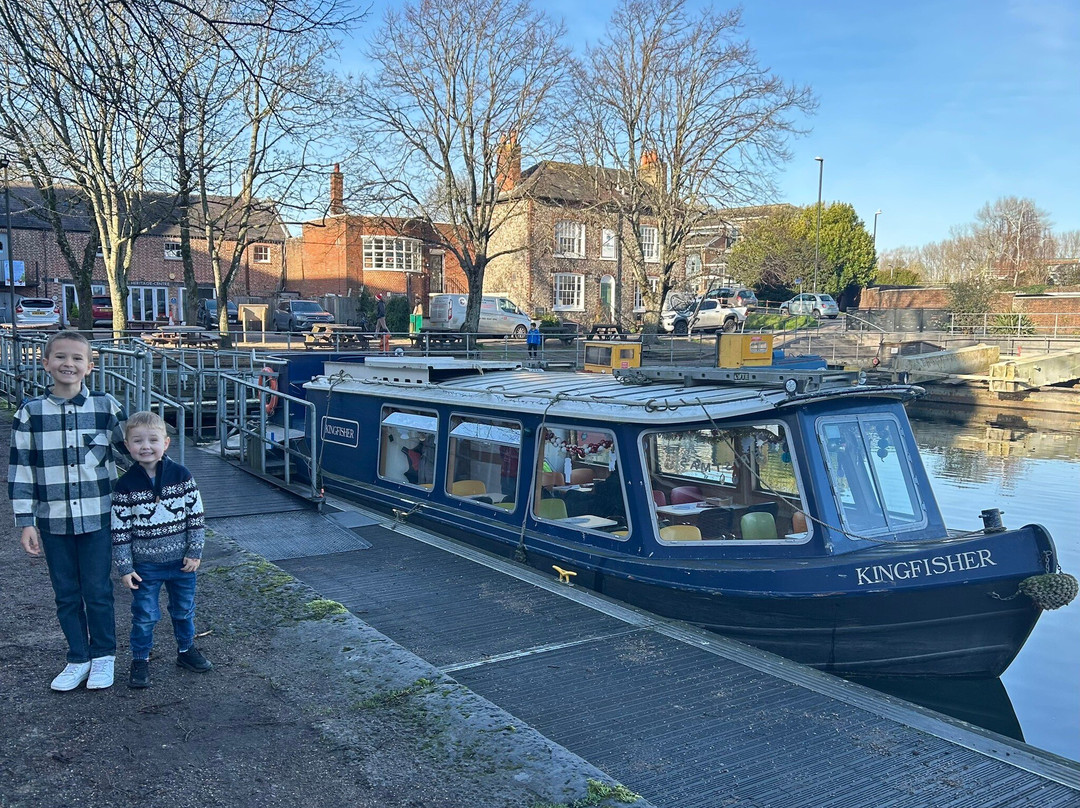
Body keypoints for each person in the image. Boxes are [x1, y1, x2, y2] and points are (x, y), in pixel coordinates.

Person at [9, 330, 128, 691]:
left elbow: (134, 452)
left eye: (77, 358)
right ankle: (78, 656)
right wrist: (26, 521)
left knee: (97, 589)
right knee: (65, 592)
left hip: (98, 516)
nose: (68, 364)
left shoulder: (106, 407)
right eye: (60, 357)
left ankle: (104, 655)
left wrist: (166, 480)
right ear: (45, 363)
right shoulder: (30, 413)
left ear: (90, 366)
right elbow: (22, 470)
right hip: (53, 519)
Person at [111, 410, 210, 689]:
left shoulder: (181, 475)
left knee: (183, 610)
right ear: (128, 446)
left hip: (181, 562)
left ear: (165, 443)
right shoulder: (125, 486)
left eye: (153, 440)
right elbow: (120, 530)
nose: (146, 447)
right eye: (138, 441)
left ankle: (186, 651)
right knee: (144, 615)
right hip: (145, 567)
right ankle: (140, 659)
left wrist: (195, 551)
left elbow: (196, 517)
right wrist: (125, 567)